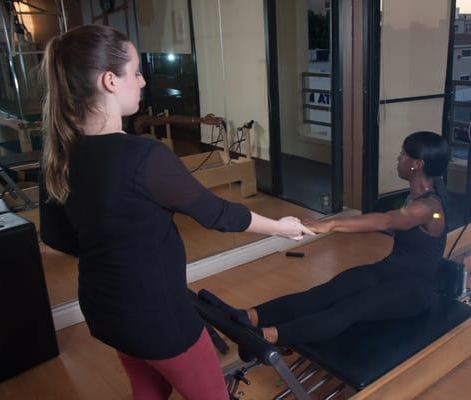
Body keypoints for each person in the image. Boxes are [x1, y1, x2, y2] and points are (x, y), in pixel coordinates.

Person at [39, 25, 313, 400]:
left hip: (105, 310)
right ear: (109, 81)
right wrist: (281, 227)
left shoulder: (59, 154)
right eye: (135, 71)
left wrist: (110, 243)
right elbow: (219, 215)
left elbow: (56, 236)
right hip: (158, 317)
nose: (142, 81)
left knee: (147, 389)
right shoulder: (144, 158)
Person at [199, 131, 449, 349]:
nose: (398, 158)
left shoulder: (430, 208)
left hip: (414, 290)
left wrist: (329, 223)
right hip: (387, 271)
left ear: (416, 164)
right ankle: (247, 316)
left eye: (403, 154)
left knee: (353, 306)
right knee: (324, 293)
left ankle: (266, 337)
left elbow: (386, 221)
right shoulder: (417, 195)